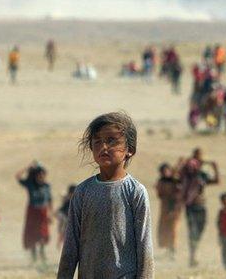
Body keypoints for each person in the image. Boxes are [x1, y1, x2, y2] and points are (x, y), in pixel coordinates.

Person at [57, 112, 154, 278]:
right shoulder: (82, 192)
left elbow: (144, 247)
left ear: (129, 149)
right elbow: (70, 247)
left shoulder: (135, 192)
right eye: (97, 141)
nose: (103, 147)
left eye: (111, 141)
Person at [177, 148, 220, 267]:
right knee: (192, 231)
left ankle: (194, 253)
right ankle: (193, 257)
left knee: (200, 230)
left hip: (201, 205)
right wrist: (180, 163)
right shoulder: (186, 174)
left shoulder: (202, 175)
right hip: (191, 206)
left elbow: (217, 181)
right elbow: (175, 177)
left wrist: (215, 168)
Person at [16, 161, 53, 268]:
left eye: (43, 174)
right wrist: (27, 168)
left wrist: (50, 214)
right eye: (39, 174)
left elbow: (50, 200)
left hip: (43, 213)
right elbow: (18, 176)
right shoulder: (30, 184)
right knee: (32, 235)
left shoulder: (47, 186)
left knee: (42, 235)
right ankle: (33, 258)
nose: (41, 176)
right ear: (36, 175)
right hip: (32, 212)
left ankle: (42, 255)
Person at [156, 162, 181, 259]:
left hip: (174, 208)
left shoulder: (176, 182)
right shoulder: (161, 182)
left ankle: (173, 251)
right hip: (164, 208)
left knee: (173, 230)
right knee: (164, 230)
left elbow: (178, 196)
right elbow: (160, 195)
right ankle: (168, 251)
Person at [55, 185, 76, 249]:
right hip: (66, 222)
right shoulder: (67, 202)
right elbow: (61, 210)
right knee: (63, 234)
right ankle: (59, 245)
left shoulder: (78, 201)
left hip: (74, 223)